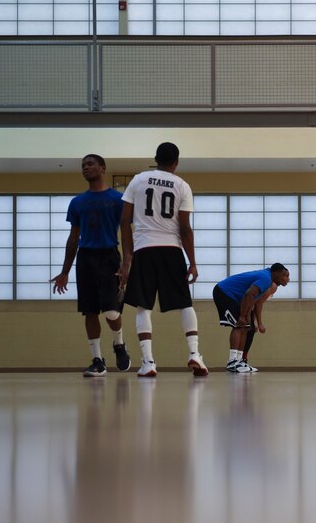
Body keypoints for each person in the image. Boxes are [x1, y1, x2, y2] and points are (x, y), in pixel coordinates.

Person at [117, 142, 208, 378]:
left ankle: (148, 362)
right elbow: (185, 228)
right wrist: (193, 262)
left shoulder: (138, 180)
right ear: (176, 163)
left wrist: (128, 256)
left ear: (155, 158)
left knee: (143, 306)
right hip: (171, 250)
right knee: (185, 304)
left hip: (144, 249)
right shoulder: (182, 185)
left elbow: (124, 220)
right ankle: (194, 354)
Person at [51, 154, 131, 378]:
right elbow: (73, 237)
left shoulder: (118, 199)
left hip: (109, 257)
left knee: (112, 311)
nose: (86, 168)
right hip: (85, 258)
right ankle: (97, 360)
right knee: (89, 311)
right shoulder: (77, 202)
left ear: (102, 168)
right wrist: (65, 271)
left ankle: (119, 344)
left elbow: (126, 235)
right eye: (83, 165)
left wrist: (126, 264)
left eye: (90, 164)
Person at [213, 264, 291, 373]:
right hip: (224, 292)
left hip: (237, 298)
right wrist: (242, 316)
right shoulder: (266, 278)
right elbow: (249, 294)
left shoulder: (268, 280)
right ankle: (232, 362)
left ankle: (239, 361)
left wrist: (247, 316)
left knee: (246, 327)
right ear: (276, 273)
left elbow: (252, 299)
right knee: (239, 326)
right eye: (284, 275)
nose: (287, 279)